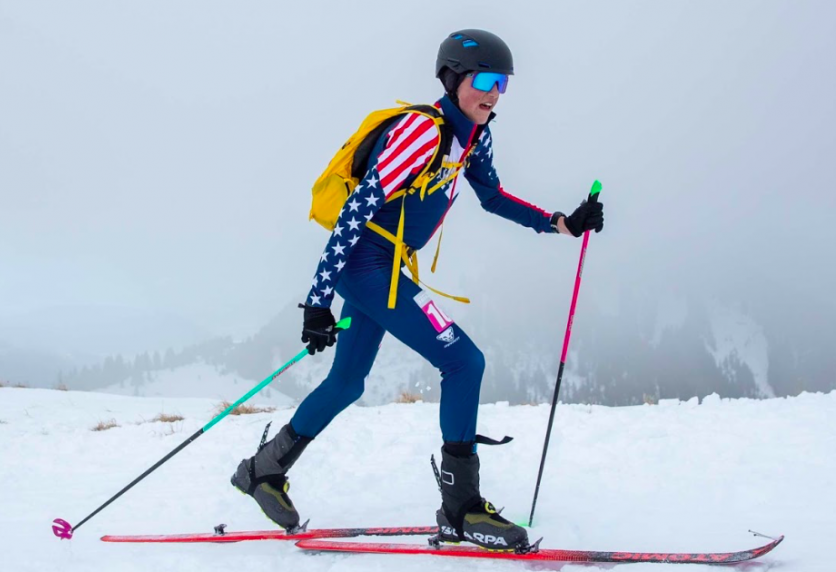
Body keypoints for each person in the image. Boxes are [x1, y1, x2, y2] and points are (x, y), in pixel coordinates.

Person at [231, 29, 604, 551]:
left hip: (384, 269)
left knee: (347, 385)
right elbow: (355, 213)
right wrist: (317, 300)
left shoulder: (475, 135)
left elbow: (492, 197)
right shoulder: (421, 132)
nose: (495, 94)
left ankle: (262, 471)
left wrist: (561, 223)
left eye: (505, 84)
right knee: (463, 361)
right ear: (453, 80)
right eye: (487, 81)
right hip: (365, 265)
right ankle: (462, 508)